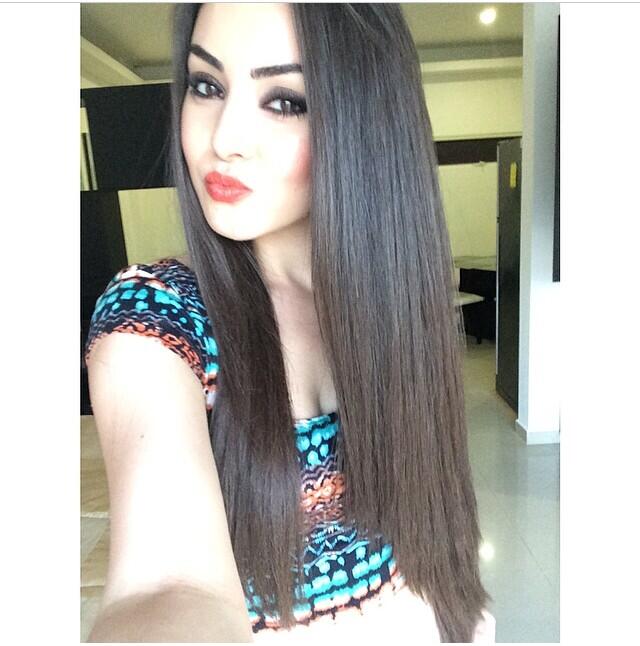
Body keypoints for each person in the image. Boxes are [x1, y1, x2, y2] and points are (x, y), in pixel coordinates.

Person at [84, 3, 496, 643]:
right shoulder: (158, 316)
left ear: (364, 125)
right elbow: (167, 586)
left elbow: (435, 531)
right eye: (206, 86)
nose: (224, 138)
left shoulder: (396, 307)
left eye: (283, 101)